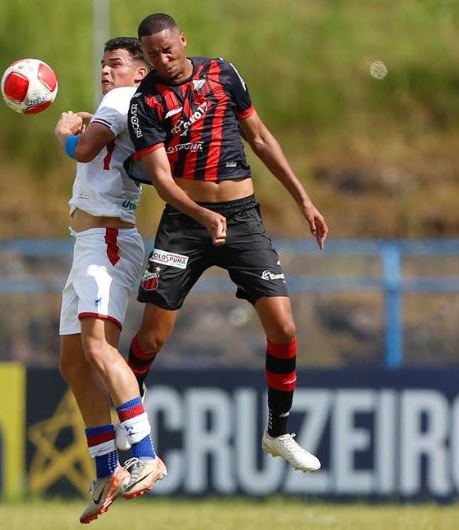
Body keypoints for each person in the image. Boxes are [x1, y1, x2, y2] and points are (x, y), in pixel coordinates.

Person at [126, 13, 328, 473]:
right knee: (153, 336)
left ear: (182, 40)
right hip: (184, 220)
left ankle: (278, 432)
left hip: (241, 218)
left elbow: (259, 137)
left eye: (168, 50)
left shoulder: (222, 73)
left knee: (284, 328)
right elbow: (160, 179)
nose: (163, 60)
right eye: (153, 55)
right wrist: (200, 213)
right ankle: (127, 410)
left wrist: (304, 199)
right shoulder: (146, 103)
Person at [53, 37, 166, 524]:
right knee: (74, 363)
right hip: (88, 244)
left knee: (99, 350)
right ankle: (107, 469)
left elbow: (85, 150)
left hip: (108, 242)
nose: (106, 72)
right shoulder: (121, 103)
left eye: (116, 64)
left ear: (139, 73)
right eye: (102, 65)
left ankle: (144, 453)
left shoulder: (122, 100)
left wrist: (64, 132)